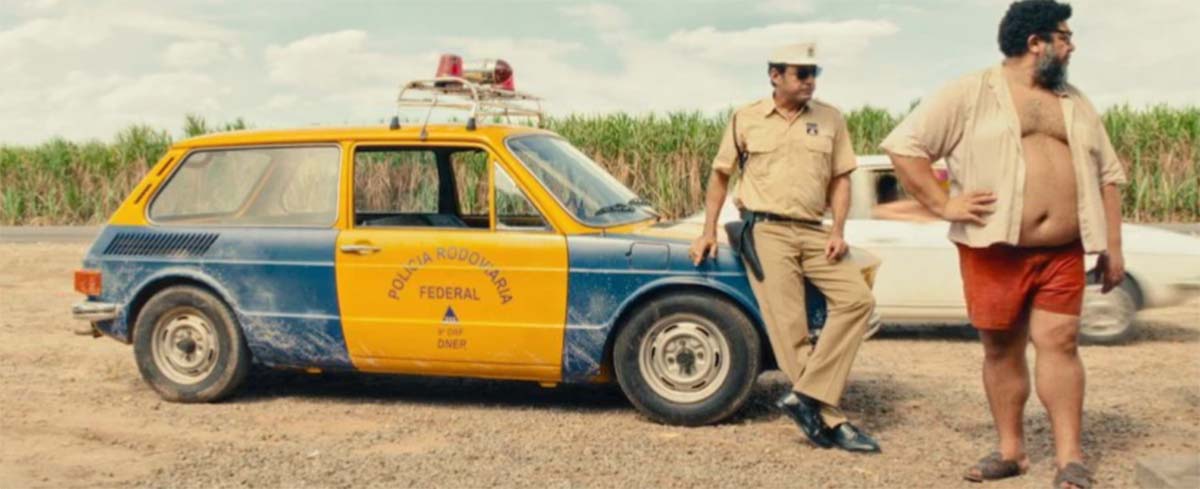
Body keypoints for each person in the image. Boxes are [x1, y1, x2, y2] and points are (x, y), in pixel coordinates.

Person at [880, 1, 1127, 487]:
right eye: (1065, 37)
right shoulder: (969, 92)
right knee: (1001, 349)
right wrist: (943, 203)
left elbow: (1108, 175)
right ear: (1036, 42)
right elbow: (904, 145)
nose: (1072, 46)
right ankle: (1011, 451)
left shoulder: (1075, 100)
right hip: (993, 248)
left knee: (1061, 343)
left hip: (1062, 248)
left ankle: (1070, 459)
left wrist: (1112, 246)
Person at [689, 42, 879, 453]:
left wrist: (838, 230)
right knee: (791, 329)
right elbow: (720, 175)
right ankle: (832, 418)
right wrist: (708, 231)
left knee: (857, 300)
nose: (810, 81)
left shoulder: (830, 118)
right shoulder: (746, 118)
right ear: (775, 75)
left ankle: (805, 397)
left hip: (814, 230)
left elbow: (841, 179)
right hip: (766, 231)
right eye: (801, 73)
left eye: (815, 73)